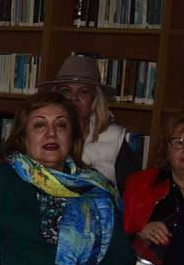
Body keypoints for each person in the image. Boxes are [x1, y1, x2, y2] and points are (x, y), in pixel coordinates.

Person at [0, 91, 135, 265]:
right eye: (39, 125)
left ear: (73, 136)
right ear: (23, 137)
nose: (51, 134)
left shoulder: (95, 189)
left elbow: (122, 253)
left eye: (61, 125)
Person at [122, 111, 184, 265]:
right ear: (166, 150)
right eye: (179, 142)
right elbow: (114, 244)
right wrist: (139, 236)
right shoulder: (140, 183)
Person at [40, 54, 138, 189]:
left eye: (83, 91)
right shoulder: (37, 135)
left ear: (96, 99)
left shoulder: (114, 138)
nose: (73, 98)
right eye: (66, 90)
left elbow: (133, 194)